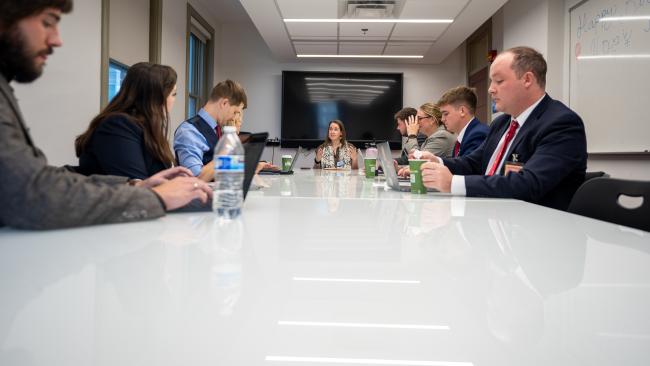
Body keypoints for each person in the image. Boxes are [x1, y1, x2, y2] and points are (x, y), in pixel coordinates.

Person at [0, 0, 211, 229]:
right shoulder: (118, 125)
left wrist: (135, 187)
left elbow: (43, 179)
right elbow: (29, 193)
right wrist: (155, 197)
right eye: (47, 22)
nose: (57, 40)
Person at [420, 46, 587, 210]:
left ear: (527, 80)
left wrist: (452, 183)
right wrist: (438, 161)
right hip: (497, 219)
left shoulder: (561, 124)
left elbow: (528, 184)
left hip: (536, 228)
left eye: (499, 81)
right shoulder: (502, 123)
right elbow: (474, 163)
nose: (490, 89)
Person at [75, 62, 177, 179]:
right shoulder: (117, 126)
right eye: (173, 94)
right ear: (156, 97)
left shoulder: (148, 129)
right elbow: (137, 187)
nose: (174, 100)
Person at [174, 79, 247, 181]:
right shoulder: (189, 131)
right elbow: (194, 178)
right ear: (224, 103)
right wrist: (225, 154)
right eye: (235, 112)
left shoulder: (218, 130)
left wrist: (247, 167)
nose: (234, 118)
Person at [396, 102, 456, 177]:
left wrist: (411, 135)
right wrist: (399, 168)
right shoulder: (431, 137)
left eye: (419, 118)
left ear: (432, 120)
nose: (416, 122)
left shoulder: (441, 136)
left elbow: (417, 162)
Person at [437, 86, 489, 157]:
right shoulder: (463, 137)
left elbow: (466, 166)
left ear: (462, 111)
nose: (442, 119)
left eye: (446, 114)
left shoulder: (478, 135)